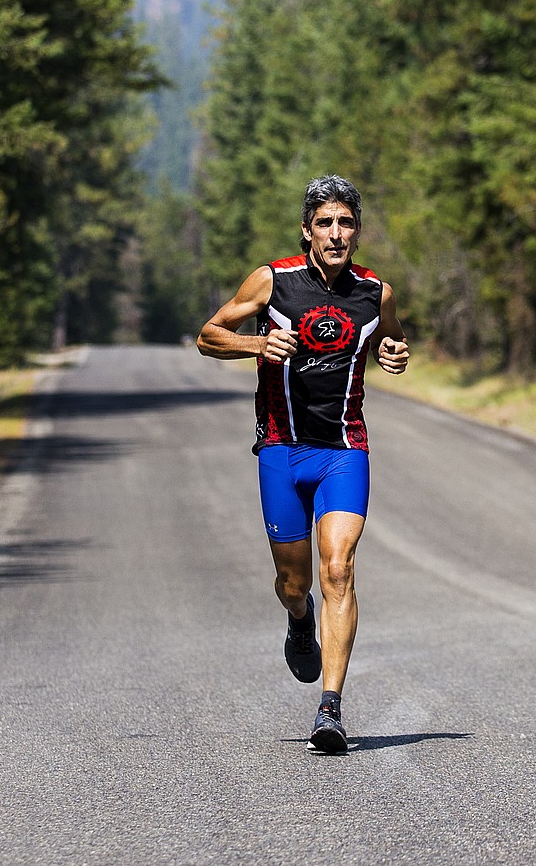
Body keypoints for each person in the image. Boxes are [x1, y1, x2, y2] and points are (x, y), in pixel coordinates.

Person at [196, 175, 410, 754]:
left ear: (357, 232)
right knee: (296, 582)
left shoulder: (376, 293)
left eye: (345, 223)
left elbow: (391, 339)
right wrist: (254, 345)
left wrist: (394, 352)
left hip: (345, 449)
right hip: (281, 450)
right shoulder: (272, 280)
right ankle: (298, 618)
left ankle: (331, 709)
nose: (335, 234)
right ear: (307, 230)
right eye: (324, 223)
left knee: (337, 567)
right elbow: (208, 335)